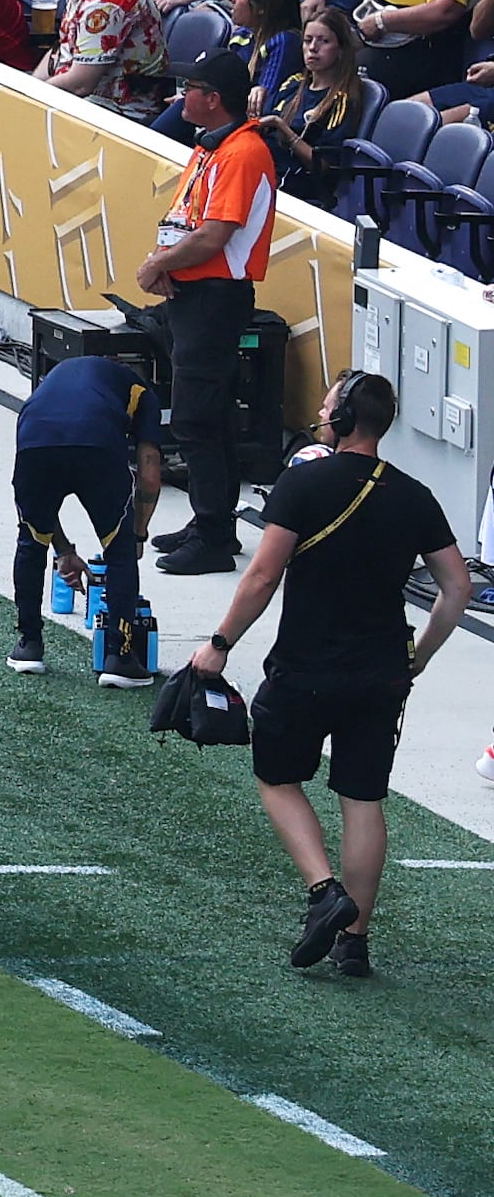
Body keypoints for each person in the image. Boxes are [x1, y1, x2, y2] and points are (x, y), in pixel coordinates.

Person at [184, 367, 474, 981]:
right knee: (363, 801)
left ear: (342, 421)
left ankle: (323, 892)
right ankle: (355, 943)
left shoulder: (303, 485)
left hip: (305, 665)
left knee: (277, 777)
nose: (319, 414)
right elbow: (457, 589)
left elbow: (262, 577)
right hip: (382, 673)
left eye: (324, 408)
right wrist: (420, 654)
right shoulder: (415, 495)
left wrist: (218, 644)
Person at [137, 44, 287, 572]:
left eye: (189, 90)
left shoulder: (243, 154)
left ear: (213, 99)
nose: (180, 97)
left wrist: (158, 266)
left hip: (216, 299)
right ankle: (209, 521)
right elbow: (187, 221)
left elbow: (215, 236)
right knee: (207, 417)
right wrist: (166, 261)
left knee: (200, 420)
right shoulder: (210, 146)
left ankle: (216, 536)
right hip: (194, 296)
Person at [10, 329, 167, 688]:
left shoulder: (56, 381)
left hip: (35, 446)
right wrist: (138, 532)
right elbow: (150, 474)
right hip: (96, 447)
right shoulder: (139, 390)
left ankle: (28, 645)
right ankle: (119, 658)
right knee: (119, 551)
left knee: (31, 541)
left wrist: (62, 550)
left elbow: (39, 502)